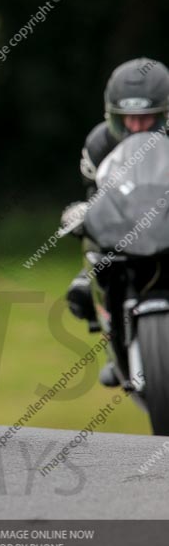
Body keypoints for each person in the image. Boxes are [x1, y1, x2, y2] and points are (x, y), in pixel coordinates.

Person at [64, 58, 169, 383]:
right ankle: (115, 335)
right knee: (81, 292)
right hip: (123, 231)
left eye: (146, 118)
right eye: (128, 120)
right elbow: (97, 198)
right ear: (113, 116)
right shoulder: (99, 144)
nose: (137, 128)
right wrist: (80, 215)